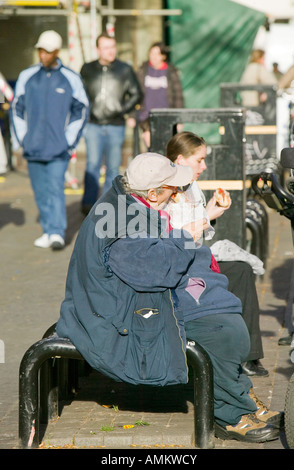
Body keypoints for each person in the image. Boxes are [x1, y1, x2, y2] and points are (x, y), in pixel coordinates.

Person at [56, 152, 282, 443]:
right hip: (116, 316)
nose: (177, 192)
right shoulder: (121, 225)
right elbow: (154, 270)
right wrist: (185, 238)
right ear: (152, 193)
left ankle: (240, 395)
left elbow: (155, 257)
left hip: (131, 296)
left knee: (221, 308)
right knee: (221, 332)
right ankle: (231, 414)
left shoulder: (128, 202)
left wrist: (183, 239)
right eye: (172, 187)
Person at [165, 131, 268, 377]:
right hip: (180, 272)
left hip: (194, 260)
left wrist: (210, 213)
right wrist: (206, 217)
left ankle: (249, 356)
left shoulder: (191, 186)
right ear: (180, 160)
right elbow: (171, 237)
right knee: (231, 278)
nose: (204, 165)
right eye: (199, 160)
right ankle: (231, 354)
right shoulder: (166, 190)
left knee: (242, 269)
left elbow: (198, 235)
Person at [10, 30, 89, 250]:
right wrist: (23, 139)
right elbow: (16, 108)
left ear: (56, 52)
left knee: (55, 188)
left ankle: (56, 232)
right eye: (40, 50)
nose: (43, 55)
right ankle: (47, 229)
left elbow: (81, 110)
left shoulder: (70, 78)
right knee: (40, 191)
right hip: (33, 146)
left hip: (58, 148)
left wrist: (69, 141)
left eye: (47, 51)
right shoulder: (27, 76)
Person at [80, 33, 142, 215]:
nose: (110, 51)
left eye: (113, 47)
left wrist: (122, 110)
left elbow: (137, 93)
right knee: (92, 165)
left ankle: (108, 206)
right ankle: (88, 205)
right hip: (93, 124)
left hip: (116, 125)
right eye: (106, 47)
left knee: (113, 167)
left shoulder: (124, 69)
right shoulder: (87, 69)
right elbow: (79, 93)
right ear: (98, 49)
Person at [127, 41, 184, 150]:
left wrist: (179, 119)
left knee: (167, 148)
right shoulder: (142, 71)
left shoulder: (171, 72)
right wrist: (132, 116)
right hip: (147, 117)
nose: (154, 57)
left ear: (163, 56)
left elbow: (178, 96)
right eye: (152, 53)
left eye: (157, 54)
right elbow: (135, 96)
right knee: (151, 148)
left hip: (166, 116)